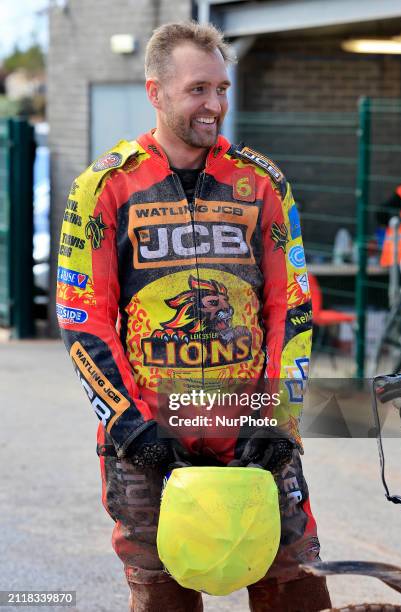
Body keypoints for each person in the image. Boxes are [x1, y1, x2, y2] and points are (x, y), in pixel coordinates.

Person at [56, 21, 331, 612]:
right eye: (198, 90)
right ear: (155, 92)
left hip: (252, 430)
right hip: (149, 437)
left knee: (296, 587)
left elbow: (293, 304)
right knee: (163, 598)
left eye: (222, 90)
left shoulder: (262, 182)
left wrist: (278, 419)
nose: (215, 106)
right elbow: (83, 318)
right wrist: (131, 430)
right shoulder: (103, 186)